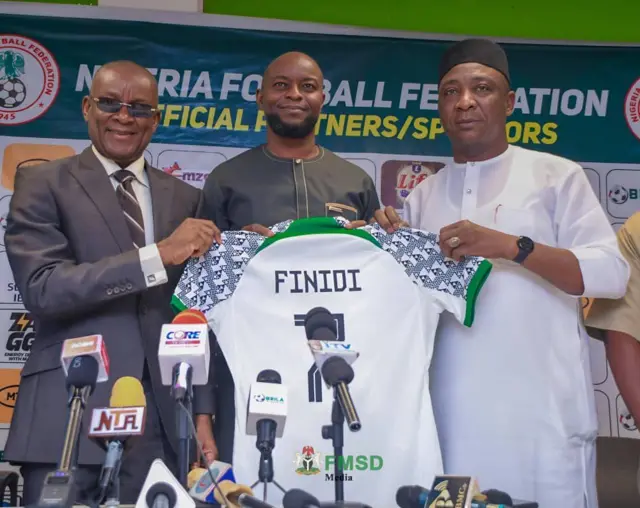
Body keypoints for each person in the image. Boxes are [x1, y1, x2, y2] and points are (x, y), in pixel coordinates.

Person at [373, 38, 629, 508]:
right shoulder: (424, 196)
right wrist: (384, 243)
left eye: (482, 89)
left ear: (509, 102)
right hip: (449, 418)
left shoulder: (556, 176)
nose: (465, 102)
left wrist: (513, 247)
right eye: (450, 92)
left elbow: (611, 274)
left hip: (542, 417)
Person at [3, 60, 219, 505]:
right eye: (109, 103)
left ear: (155, 119)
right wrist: (157, 255)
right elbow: (44, 287)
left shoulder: (187, 198)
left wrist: (201, 412)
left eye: (139, 108)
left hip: (163, 424)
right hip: (68, 410)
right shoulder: (41, 182)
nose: (124, 116)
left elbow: (197, 316)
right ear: (87, 107)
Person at [195, 51, 380, 463]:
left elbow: (379, 292)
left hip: (341, 381)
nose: (294, 95)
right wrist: (203, 413)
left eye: (307, 86)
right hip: (251, 379)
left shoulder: (355, 181)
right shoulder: (226, 181)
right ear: (260, 98)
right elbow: (203, 304)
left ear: (322, 99)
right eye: (281, 85)